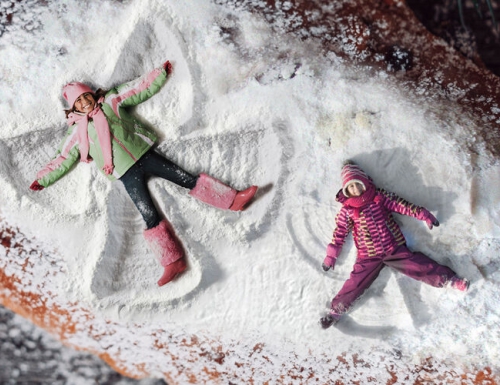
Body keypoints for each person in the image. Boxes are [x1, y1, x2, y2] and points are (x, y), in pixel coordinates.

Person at [29, 61, 257, 287]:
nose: (85, 102)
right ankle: (172, 261)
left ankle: (233, 200)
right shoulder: (77, 132)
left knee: (185, 178)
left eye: (85, 96)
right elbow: (62, 157)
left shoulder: (110, 102)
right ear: (73, 108)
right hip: (125, 173)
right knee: (148, 214)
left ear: (91, 94)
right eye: (78, 101)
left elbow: (137, 89)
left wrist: (159, 74)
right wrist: (43, 178)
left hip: (145, 154)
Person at [320, 161, 469, 329]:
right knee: (356, 283)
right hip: (367, 256)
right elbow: (340, 233)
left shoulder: (379, 196)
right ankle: (335, 310)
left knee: (418, 265)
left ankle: (450, 280)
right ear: (346, 191)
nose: (355, 189)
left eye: (357, 184)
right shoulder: (347, 211)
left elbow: (401, 205)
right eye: (351, 187)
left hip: (393, 248)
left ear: (364, 183)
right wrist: (330, 257)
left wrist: (423, 214)